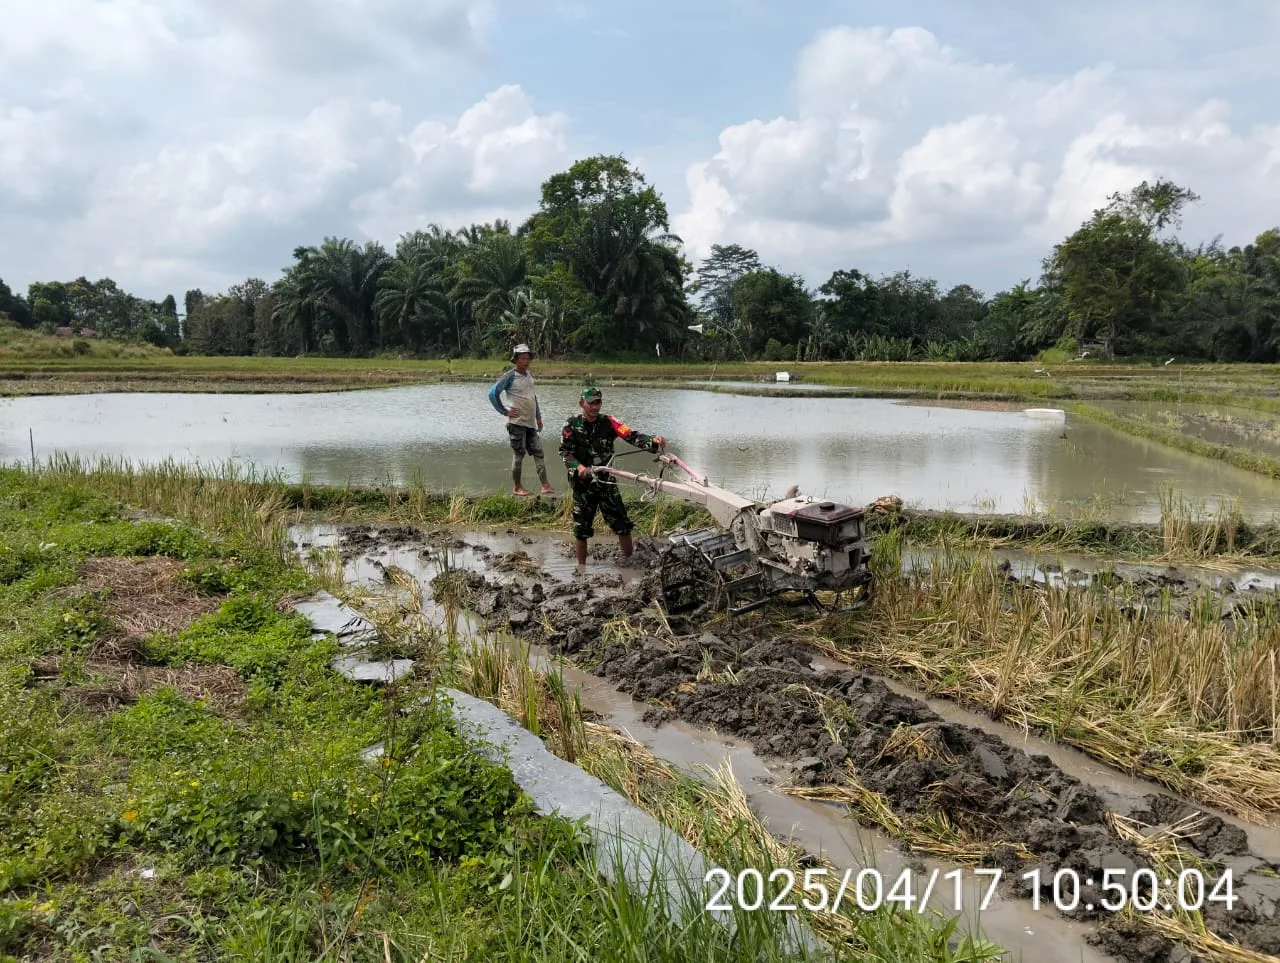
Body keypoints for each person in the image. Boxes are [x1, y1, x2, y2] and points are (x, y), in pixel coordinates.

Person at [559, 386, 666, 565]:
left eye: (598, 402)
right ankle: (581, 570)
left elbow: (631, 435)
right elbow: (565, 453)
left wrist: (653, 441)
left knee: (623, 525)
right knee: (581, 530)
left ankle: (629, 562)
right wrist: (579, 468)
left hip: (606, 482)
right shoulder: (571, 425)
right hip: (582, 484)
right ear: (581, 403)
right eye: (591, 403)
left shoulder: (608, 421)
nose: (595, 407)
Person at [488, 343, 556, 497]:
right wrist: (505, 411)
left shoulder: (529, 375)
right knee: (519, 455)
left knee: (539, 452)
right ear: (516, 360)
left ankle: (545, 485)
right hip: (517, 423)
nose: (526, 361)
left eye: (527, 358)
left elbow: (533, 398)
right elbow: (493, 394)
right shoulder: (510, 376)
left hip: (530, 423)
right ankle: (517, 487)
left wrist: (538, 417)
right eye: (522, 358)